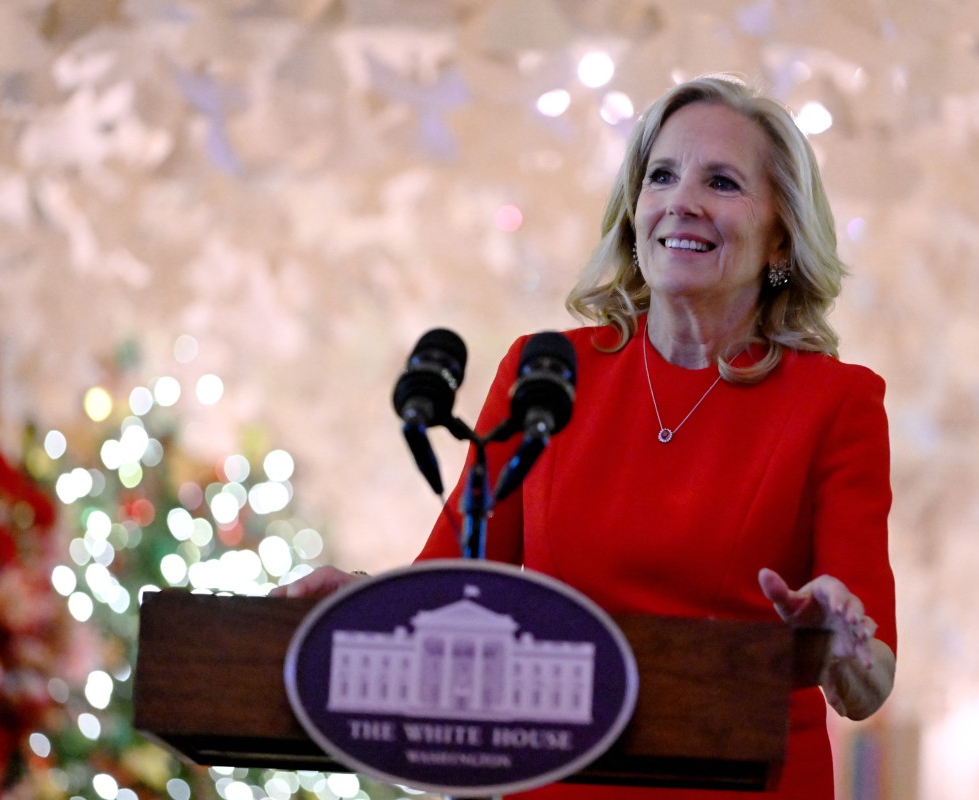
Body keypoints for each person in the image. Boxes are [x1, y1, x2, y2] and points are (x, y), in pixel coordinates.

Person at [274, 72, 896, 799]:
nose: (681, 202)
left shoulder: (837, 402)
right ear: (635, 211)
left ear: (781, 232)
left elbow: (868, 682)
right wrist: (354, 599)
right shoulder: (547, 373)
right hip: (554, 780)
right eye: (661, 176)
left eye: (722, 182)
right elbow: (452, 575)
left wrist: (837, 645)